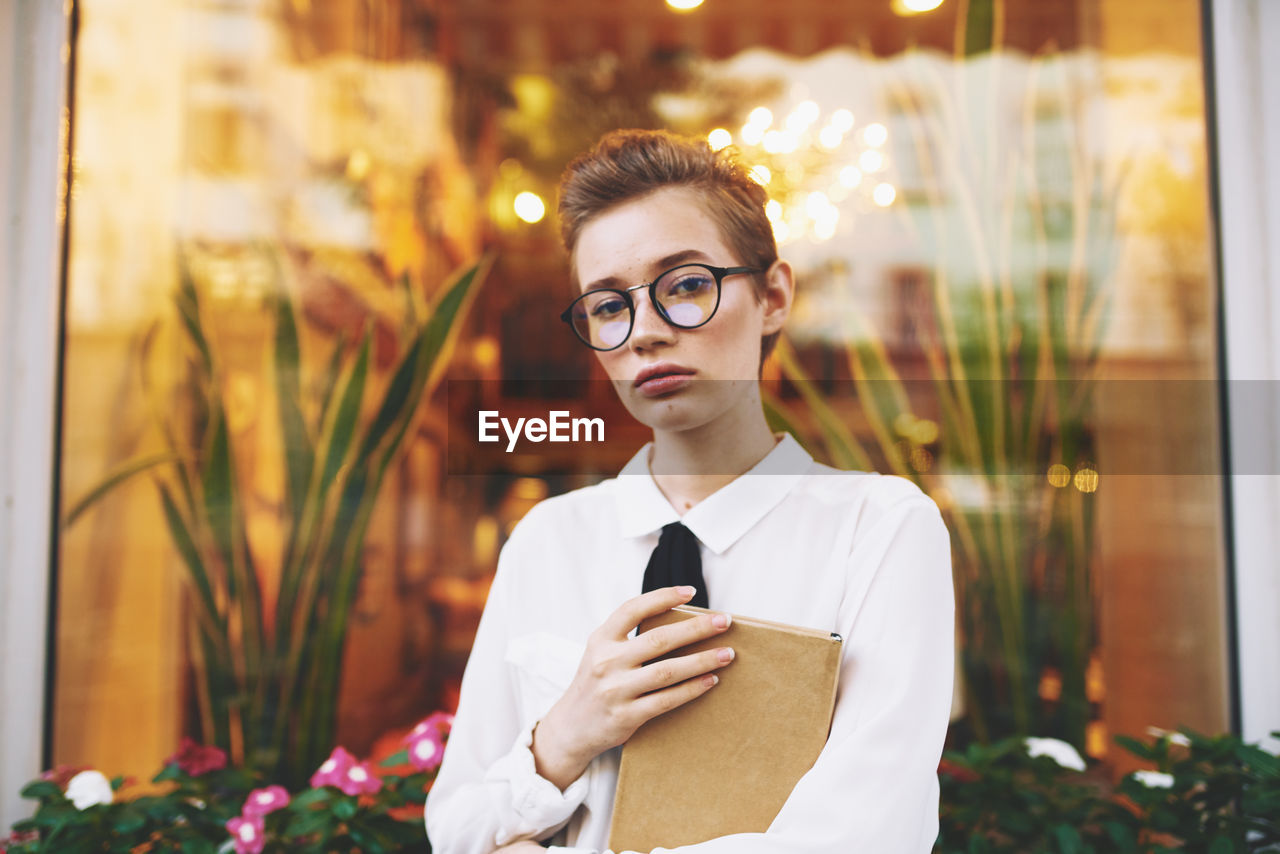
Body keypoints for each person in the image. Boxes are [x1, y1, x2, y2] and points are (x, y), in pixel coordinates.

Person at [425, 129, 954, 854]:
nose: (644, 332)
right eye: (608, 306)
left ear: (772, 297)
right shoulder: (549, 539)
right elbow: (456, 829)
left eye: (685, 287)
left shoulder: (879, 528)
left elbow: (867, 834)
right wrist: (564, 736)